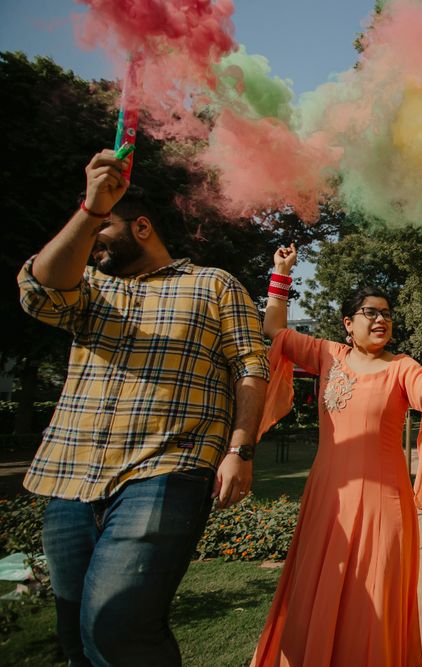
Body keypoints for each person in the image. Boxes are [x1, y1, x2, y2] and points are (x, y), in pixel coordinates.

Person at [17, 150, 270, 666]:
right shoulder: (86, 288)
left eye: (104, 227)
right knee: (78, 643)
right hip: (69, 475)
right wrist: (90, 211)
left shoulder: (213, 285)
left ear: (143, 227)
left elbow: (251, 366)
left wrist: (239, 449)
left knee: (118, 630)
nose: (92, 245)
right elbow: (38, 291)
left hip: (166, 470)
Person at [252, 245, 422, 667]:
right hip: (328, 500)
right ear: (347, 324)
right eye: (370, 312)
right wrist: (280, 273)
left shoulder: (403, 367)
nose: (381, 319)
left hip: (382, 506)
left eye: (387, 312)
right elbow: (274, 330)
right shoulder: (327, 355)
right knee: (317, 590)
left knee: (376, 597)